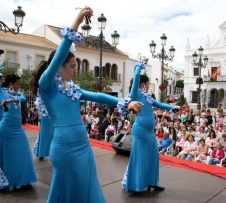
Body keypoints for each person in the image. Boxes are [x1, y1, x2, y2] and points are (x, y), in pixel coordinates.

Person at [32, 7, 142, 203]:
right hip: (64, 149)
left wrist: (126, 101)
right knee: (66, 194)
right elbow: (59, 54)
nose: (75, 70)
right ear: (59, 67)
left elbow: (99, 95)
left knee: (88, 191)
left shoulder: (73, 89)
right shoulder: (47, 85)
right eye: (72, 66)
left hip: (83, 146)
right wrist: (77, 20)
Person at [121, 57, 179, 193]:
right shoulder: (135, 93)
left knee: (153, 155)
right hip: (140, 130)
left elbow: (159, 104)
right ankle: (137, 185)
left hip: (149, 132)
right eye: (147, 83)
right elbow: (136, 75)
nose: (148, 85)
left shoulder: (147, 96)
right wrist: (141, 65)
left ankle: (152, 182)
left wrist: (172, 107)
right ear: (143, 83)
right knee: (140, 157)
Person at [0, 52, 37, 190]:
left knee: (23, 153)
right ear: (11, 84)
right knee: (9, 157)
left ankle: (23, 180)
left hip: (17, 129)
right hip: (5, 129)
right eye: (17, 84)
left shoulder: (18, 95)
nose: (19, 86)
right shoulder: (0, 92)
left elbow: (22, 99)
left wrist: (12, 99)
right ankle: (7, 182)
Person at [30, 67, 55, 161]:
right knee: (47, 134)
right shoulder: (44, 85)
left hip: (48, 114)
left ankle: (41, 152)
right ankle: (42, 152)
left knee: (45, 134)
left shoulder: (44, 84)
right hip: (47, 114)